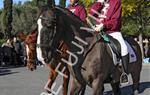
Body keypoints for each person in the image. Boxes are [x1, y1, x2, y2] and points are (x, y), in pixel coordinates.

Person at [89, 0, 129, 84]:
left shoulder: (116, 2)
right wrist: (99, 3)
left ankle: (124, 74)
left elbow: (116, 20)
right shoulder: (100, 2)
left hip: (112, 31)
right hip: (97, 31)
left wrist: (104, 25)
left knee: (124, 48)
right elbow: (92, 14)